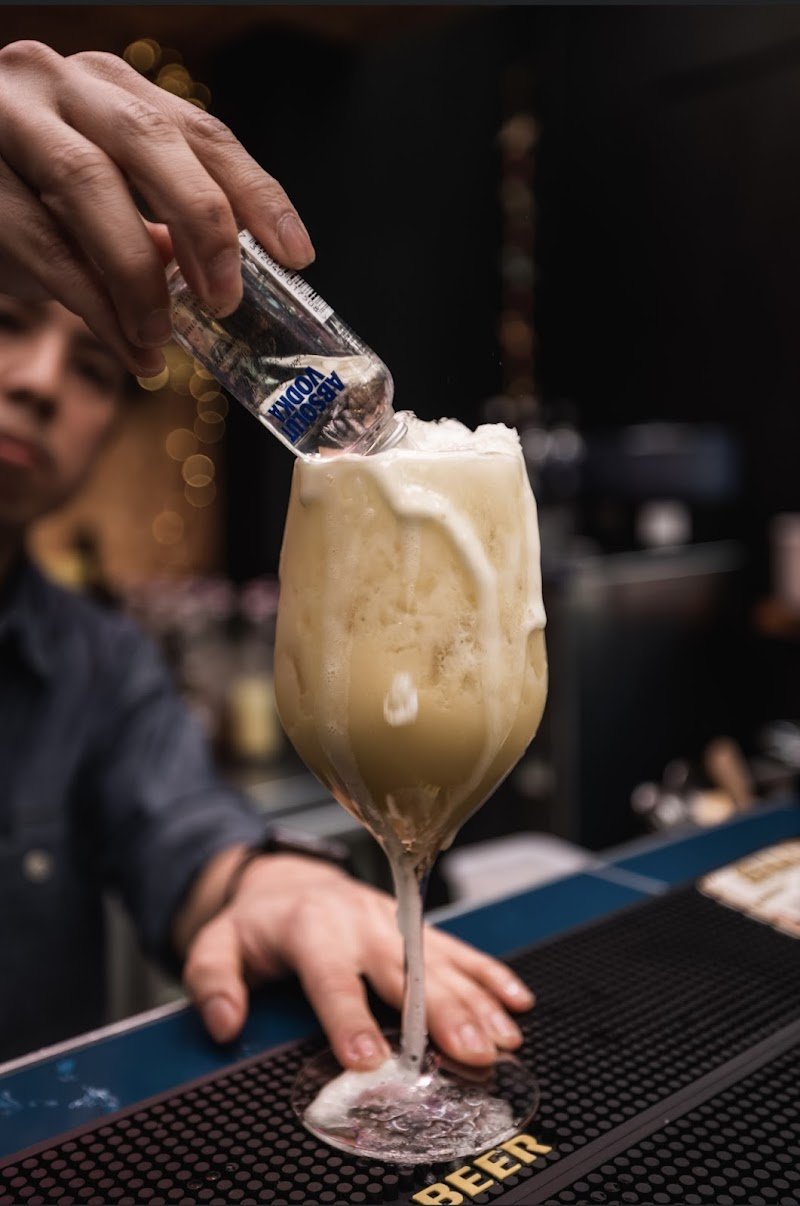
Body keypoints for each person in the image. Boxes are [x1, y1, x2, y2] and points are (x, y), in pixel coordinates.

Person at [0, 42, 535, 1066]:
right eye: (4, 322)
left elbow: (189, 837)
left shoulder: (97, 665)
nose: (37, 382)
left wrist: (281, 889)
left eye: (94, 365)